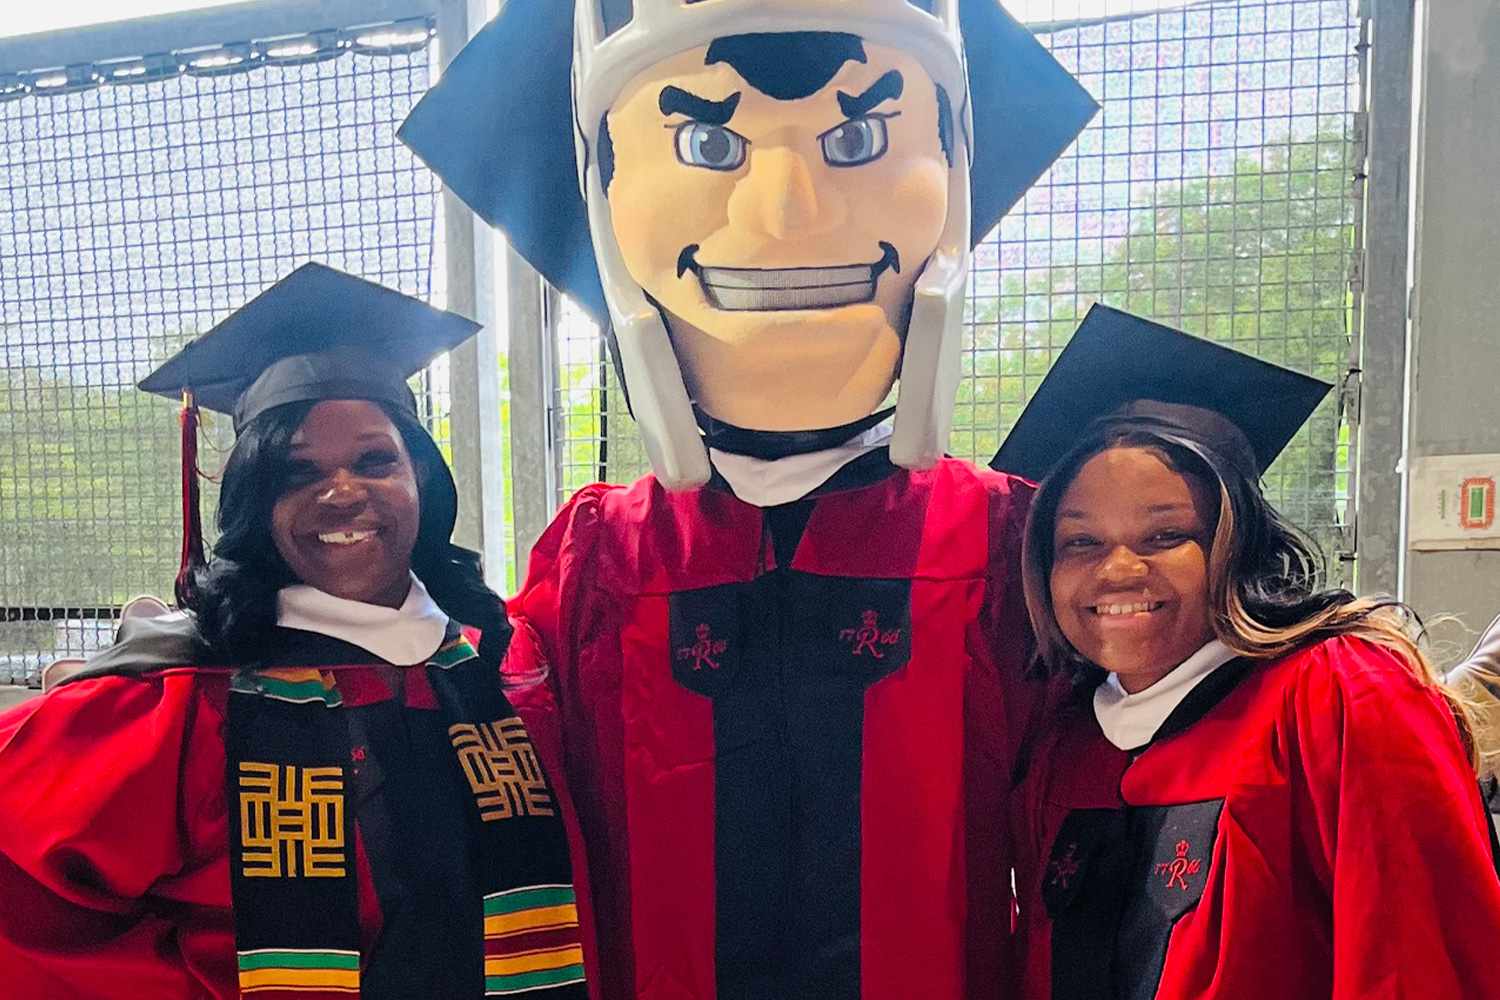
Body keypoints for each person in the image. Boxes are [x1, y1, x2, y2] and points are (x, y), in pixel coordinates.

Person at [399, 2, 1095, 997]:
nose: (786, 208)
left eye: (856, 140)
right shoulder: (603, 556)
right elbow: (496, 771)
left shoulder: (1001, 538)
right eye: (708, 141)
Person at [0, 264, 586, 1000]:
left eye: (375, 461)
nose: (343, 492)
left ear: (422, 481)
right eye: (295, 473)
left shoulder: (486, 670)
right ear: (254, 501)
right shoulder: (188, 699)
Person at [995, 305, 1500, 1000]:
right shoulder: (1066, 744)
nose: (1117, 569)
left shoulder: (1340, 695)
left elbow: (1420, 963)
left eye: (1165, 534)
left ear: (1238, 543)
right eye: (1080, 542)